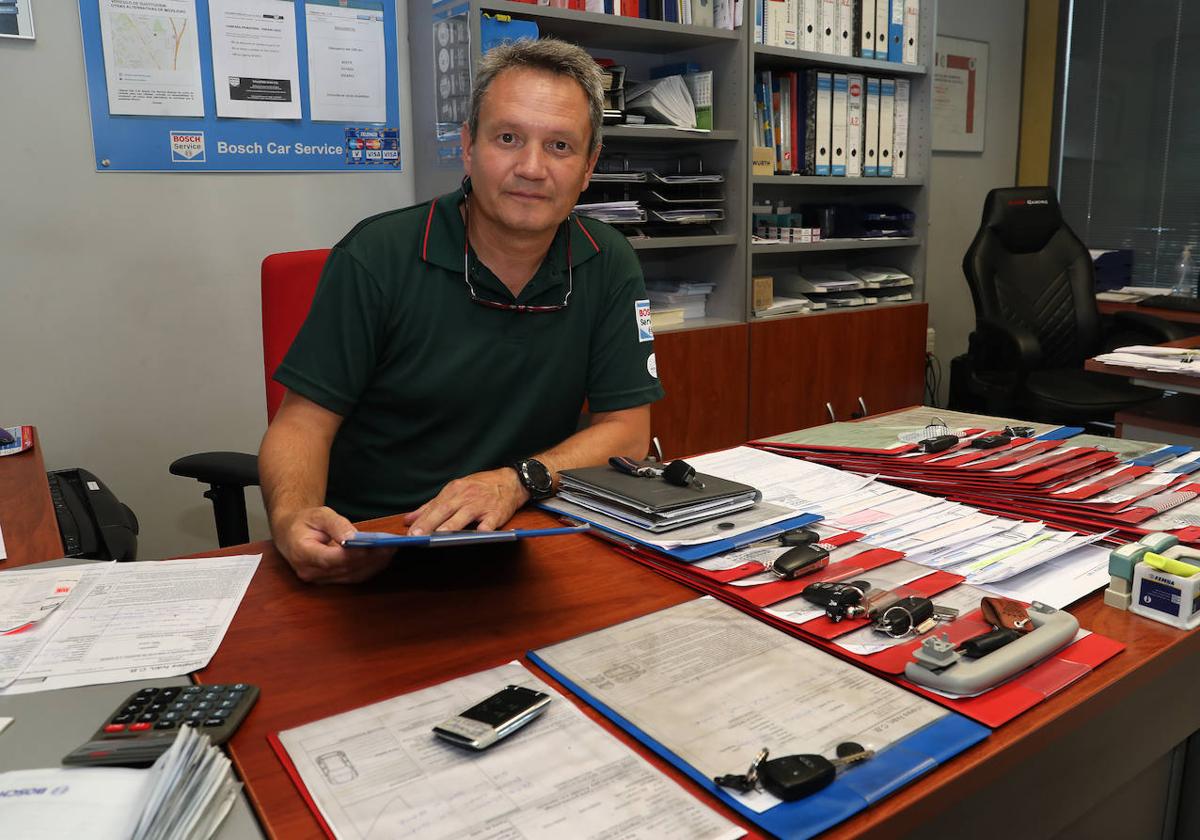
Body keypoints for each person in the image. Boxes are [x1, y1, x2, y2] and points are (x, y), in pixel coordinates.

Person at [259, 38, 665, 584]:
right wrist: (290, 518)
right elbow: (301, 425)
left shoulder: (608, 261)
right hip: (378, 549)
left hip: (525, 539)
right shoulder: (376, 256)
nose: (531, 167)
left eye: (561, 146)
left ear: (589, 167)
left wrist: (518, 480)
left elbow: (627, 432)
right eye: (508, 138)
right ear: (468, 146)